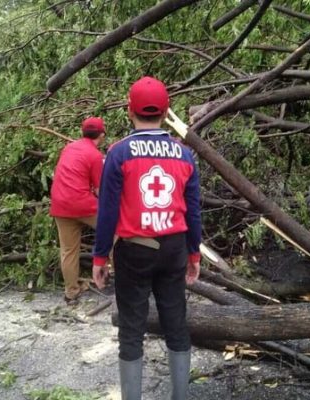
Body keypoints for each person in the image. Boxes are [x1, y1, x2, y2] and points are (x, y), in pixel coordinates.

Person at [92, 77, 201, 400]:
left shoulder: (118, 153)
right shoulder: (184, 155)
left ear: (130, 111)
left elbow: (107, 211)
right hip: (174, 249)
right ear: (166, 111)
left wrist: (99, 258)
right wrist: (194, 254)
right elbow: (193, 212)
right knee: (176, 324)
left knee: (131, 330)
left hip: (134, 251)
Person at [50, 117, 106, 304]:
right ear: (102, 135)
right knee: (115, 229)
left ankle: (71, 293)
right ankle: (112, 272)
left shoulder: (68, 147)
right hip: (82, 203)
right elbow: (99, 190)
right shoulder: (95, 155)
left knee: (68, 250)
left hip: (59, 204)